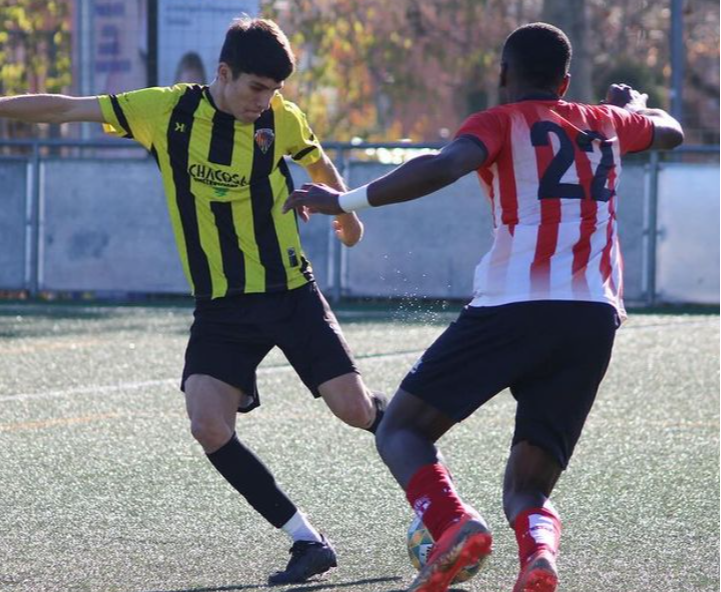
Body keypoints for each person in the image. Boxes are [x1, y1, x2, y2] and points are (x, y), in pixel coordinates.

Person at [284, 22, 684, 592]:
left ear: (503, 75)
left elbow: (445, 165)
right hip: (593, 317)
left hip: (515, 307)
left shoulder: (498, 121)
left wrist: (344, 200)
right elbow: (671, 132)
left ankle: (451, 522)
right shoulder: (607, 122)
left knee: (400, 429)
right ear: (565, 81)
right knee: (528, 486)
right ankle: (539, 556)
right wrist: (632, 109)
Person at [0, 18, 387, 585]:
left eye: (273, 91)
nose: (264, 101)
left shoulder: (280, 118)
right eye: (256, 88)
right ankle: (307, 541)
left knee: (353, 410)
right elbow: (65, 109)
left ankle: (427, 477)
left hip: (287, 292)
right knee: (208, 424)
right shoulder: (166, 111)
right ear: (224, 73)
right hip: (221, 307)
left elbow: (316, 160)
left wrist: (347, 214)